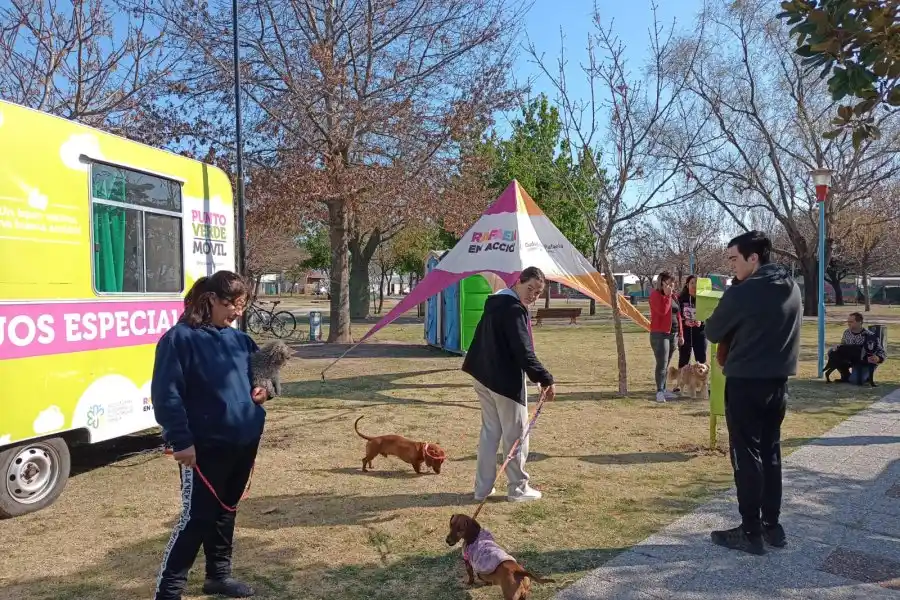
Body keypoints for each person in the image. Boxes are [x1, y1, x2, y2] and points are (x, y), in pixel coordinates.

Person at [152, 271, 270, 600]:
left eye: (243, 305)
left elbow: (264, 378)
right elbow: (167, 395)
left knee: (226, 510)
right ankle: (169, 590)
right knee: (198, 517)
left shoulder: (242, 340)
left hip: (243, 443)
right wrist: (181, 440)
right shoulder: (179, 339)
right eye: (232, 304)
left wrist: (265, 390)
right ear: (211, 300)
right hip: (203, 448)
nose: (238, 312)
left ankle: (218, 576)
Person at [705, 231, 802, 555]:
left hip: (746, 384)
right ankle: (772, 526)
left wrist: (731, 297)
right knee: (771, 454)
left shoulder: (742, 293)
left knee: (746, 457)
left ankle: (750, 531)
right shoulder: (792, 288)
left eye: (733, 259)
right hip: (778, 385)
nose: (730, 265)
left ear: (753, 258)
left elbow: (713, 330)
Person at [462, 266, 556, 503]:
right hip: (501, 381)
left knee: (490, 432)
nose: (532, 295)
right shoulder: (513, 310)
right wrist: (545, 379)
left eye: (538, 292)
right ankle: (518, 488)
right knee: (515, 436)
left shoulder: (496, 303)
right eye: (530, 288)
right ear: (518, 283)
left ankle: (482, 489)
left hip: (482, 374)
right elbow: (523, 352)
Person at [648, 271, 684, 403]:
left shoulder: (673, 296)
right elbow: (663, 311)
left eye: (673, 282)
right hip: (660, 334)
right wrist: (667, 296)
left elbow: (678, 315)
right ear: (661, 283)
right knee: (661, 364)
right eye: (668, 283)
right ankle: (659, 391)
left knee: (666, 363)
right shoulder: (655, 295)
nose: (671, 285)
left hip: (673, 334)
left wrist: (681, 334)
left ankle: (663, 389)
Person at [830, 312, 886, 384]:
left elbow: (881, 351)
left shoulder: (870, 335)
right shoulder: (846, 332)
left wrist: (878, 358)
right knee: (832, 352)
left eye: (851, 322)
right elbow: (843, 345)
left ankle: (867, 376)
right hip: (851, 360)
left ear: (860, 322)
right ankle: (845, 375)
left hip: (864, 362)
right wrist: (838, 347)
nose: (848, 323)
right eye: (848, 321)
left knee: (855, 381)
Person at [678, 275, 707, 370]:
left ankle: (701, 383)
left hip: (700, 333)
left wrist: (701, 321)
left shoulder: (704, 299)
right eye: (692, 283)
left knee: (701, 359)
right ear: (687, 285)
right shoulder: (681, 299)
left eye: (697, 283)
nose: (695, 285)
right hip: (685, 334)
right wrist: (684, 321)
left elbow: (709, 316)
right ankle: (681, 383)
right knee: (683, 360)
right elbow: (676, 316)